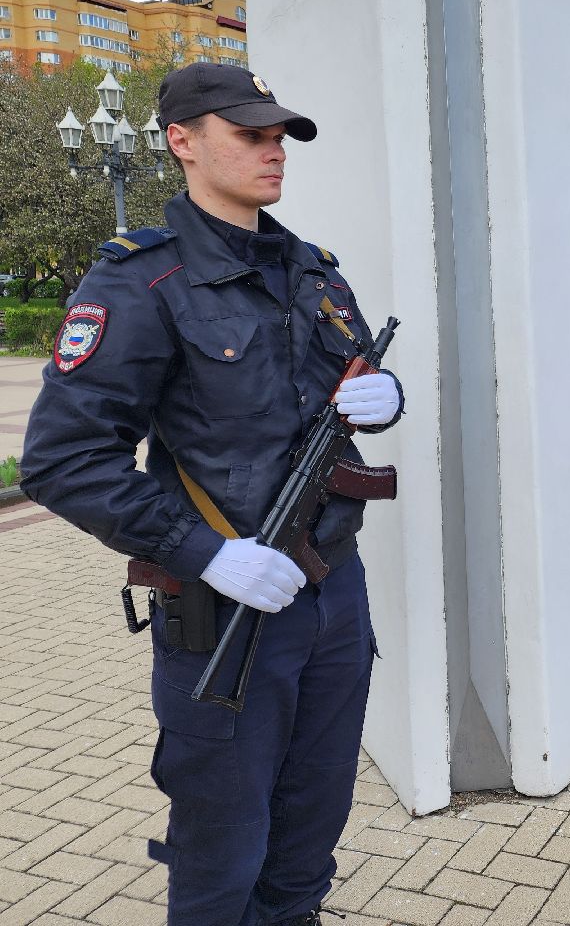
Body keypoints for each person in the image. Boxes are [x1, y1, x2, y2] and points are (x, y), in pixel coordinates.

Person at [22, 62, 403, 926]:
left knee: (316, 806)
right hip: (226, 604)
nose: (273, 152)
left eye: (278, 136)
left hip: (333, 590)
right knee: (223, 836)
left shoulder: (312, 270)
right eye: (250, 134)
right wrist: (208, 555)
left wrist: (387, 396)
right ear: (182, 143)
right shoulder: (139, 282)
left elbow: (345, 387)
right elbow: (62, 459)